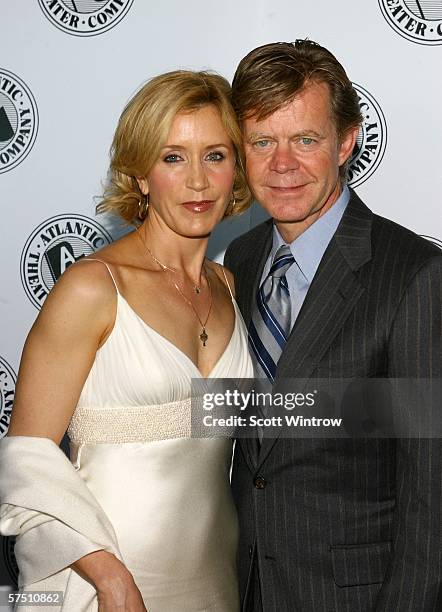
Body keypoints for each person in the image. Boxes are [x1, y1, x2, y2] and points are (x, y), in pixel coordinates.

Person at [0, 70, 253, 611]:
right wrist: (109, 577)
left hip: (215, 583)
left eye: (214, 155)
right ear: (140, 175)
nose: (198, 182)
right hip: (106, 581)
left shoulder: (229, 286)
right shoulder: (94, 287)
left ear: (237, 169)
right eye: (172, 157)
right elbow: (26, 457)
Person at [224, 40, 442, 611]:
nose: (282, 165)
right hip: (245, 588)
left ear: (345, 142)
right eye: (262, 142)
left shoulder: (413, 275)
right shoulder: (240, 260)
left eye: (305, 140)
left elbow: (432, 488)